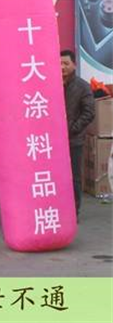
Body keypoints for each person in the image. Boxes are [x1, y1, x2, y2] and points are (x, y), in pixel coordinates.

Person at [60, 49, 95, 218]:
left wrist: (72, 129)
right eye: (59, 64)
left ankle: (73, 211)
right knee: (57, 176)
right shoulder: (50, 83)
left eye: (66, 63)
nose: (62, 67)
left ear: (74, 65)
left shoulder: (82, 86)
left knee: (73, 177)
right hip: (53, 141)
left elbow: (89, 113)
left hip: (74, 140)